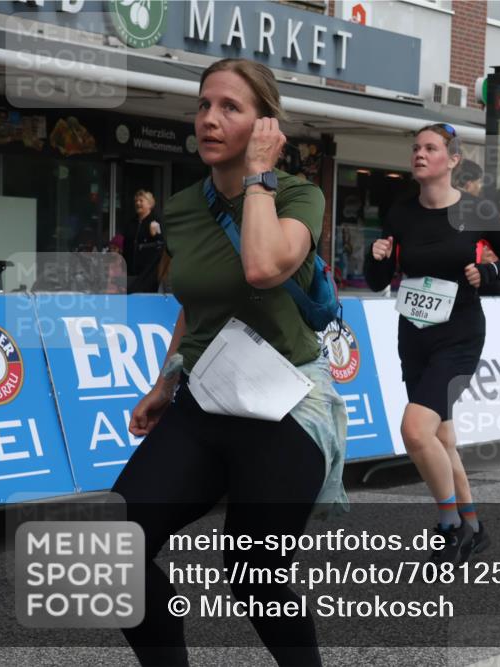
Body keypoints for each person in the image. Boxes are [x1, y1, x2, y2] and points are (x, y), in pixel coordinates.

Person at [111, 58, 348, 667]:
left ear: (264, 124)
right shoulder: (183, 208)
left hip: (288, 406)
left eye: (231, 108)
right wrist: (165, 383)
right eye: (203, 105)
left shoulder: (300, 194)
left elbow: (264, 267)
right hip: (211, 396)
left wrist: (261, 175)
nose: (209, 119)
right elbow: (197, 305)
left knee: (253, 575)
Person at [365, 123, 500, 563]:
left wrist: (490, 274)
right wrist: (376, 256)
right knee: (441, 437)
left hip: (459, 336)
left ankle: (449, 526)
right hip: (413, 335)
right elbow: (379, 280)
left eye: (430, 148)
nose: (419, 153)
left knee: (415, 431)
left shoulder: (476, 210)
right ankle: (473, 525)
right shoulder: (400, 212)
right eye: (415, 147)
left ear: (452, 160)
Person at [127, 189, 164, 293]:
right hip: (131, 270)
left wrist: (155, 234)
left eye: (141, 200)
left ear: (149, 204)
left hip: (148, 273)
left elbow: (161, 244)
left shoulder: (155, 221)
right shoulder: (132, 223)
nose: (138, 203)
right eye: (136, 201)